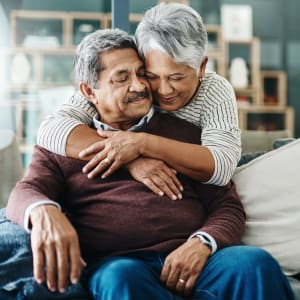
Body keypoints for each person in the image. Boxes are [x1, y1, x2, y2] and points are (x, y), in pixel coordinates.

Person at [6, 28, 294, 300]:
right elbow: (25, 191)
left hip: (197, 262)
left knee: (253, 263)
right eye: (121, 78)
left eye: (141, 73)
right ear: (89, 92)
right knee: (121, 277)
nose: (140, 86)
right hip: (120, 264)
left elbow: (227, 205)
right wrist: (43, 210)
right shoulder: (63, 143)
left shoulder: (183, 133)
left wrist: (203, 242)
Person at [37, 3, 241, 201]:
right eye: (151, 75)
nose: (163, 90)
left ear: (202, 67)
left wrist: (142, 143)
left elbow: (222, 167)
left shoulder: (214, 90)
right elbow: (50, 130)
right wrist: (131, 159)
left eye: (176, 77)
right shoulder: (129, 87)